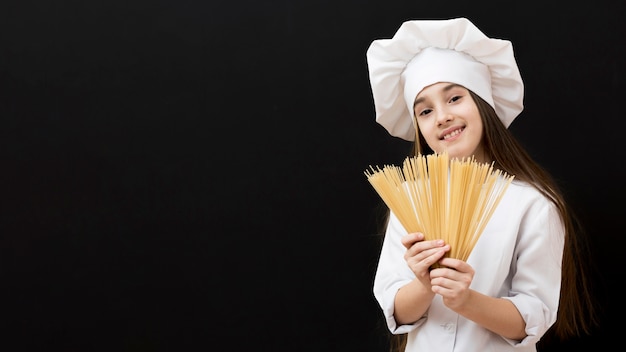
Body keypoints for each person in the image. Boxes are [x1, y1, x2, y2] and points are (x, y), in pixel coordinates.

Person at [365, 17, 597, 351]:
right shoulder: (408, 199)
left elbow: (534, 316)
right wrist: (423, 284)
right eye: (425, 111)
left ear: (483, 103)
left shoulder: (533, 205)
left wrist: (466, 300)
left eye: (455, 98)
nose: (442, 116)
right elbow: (397, 312)